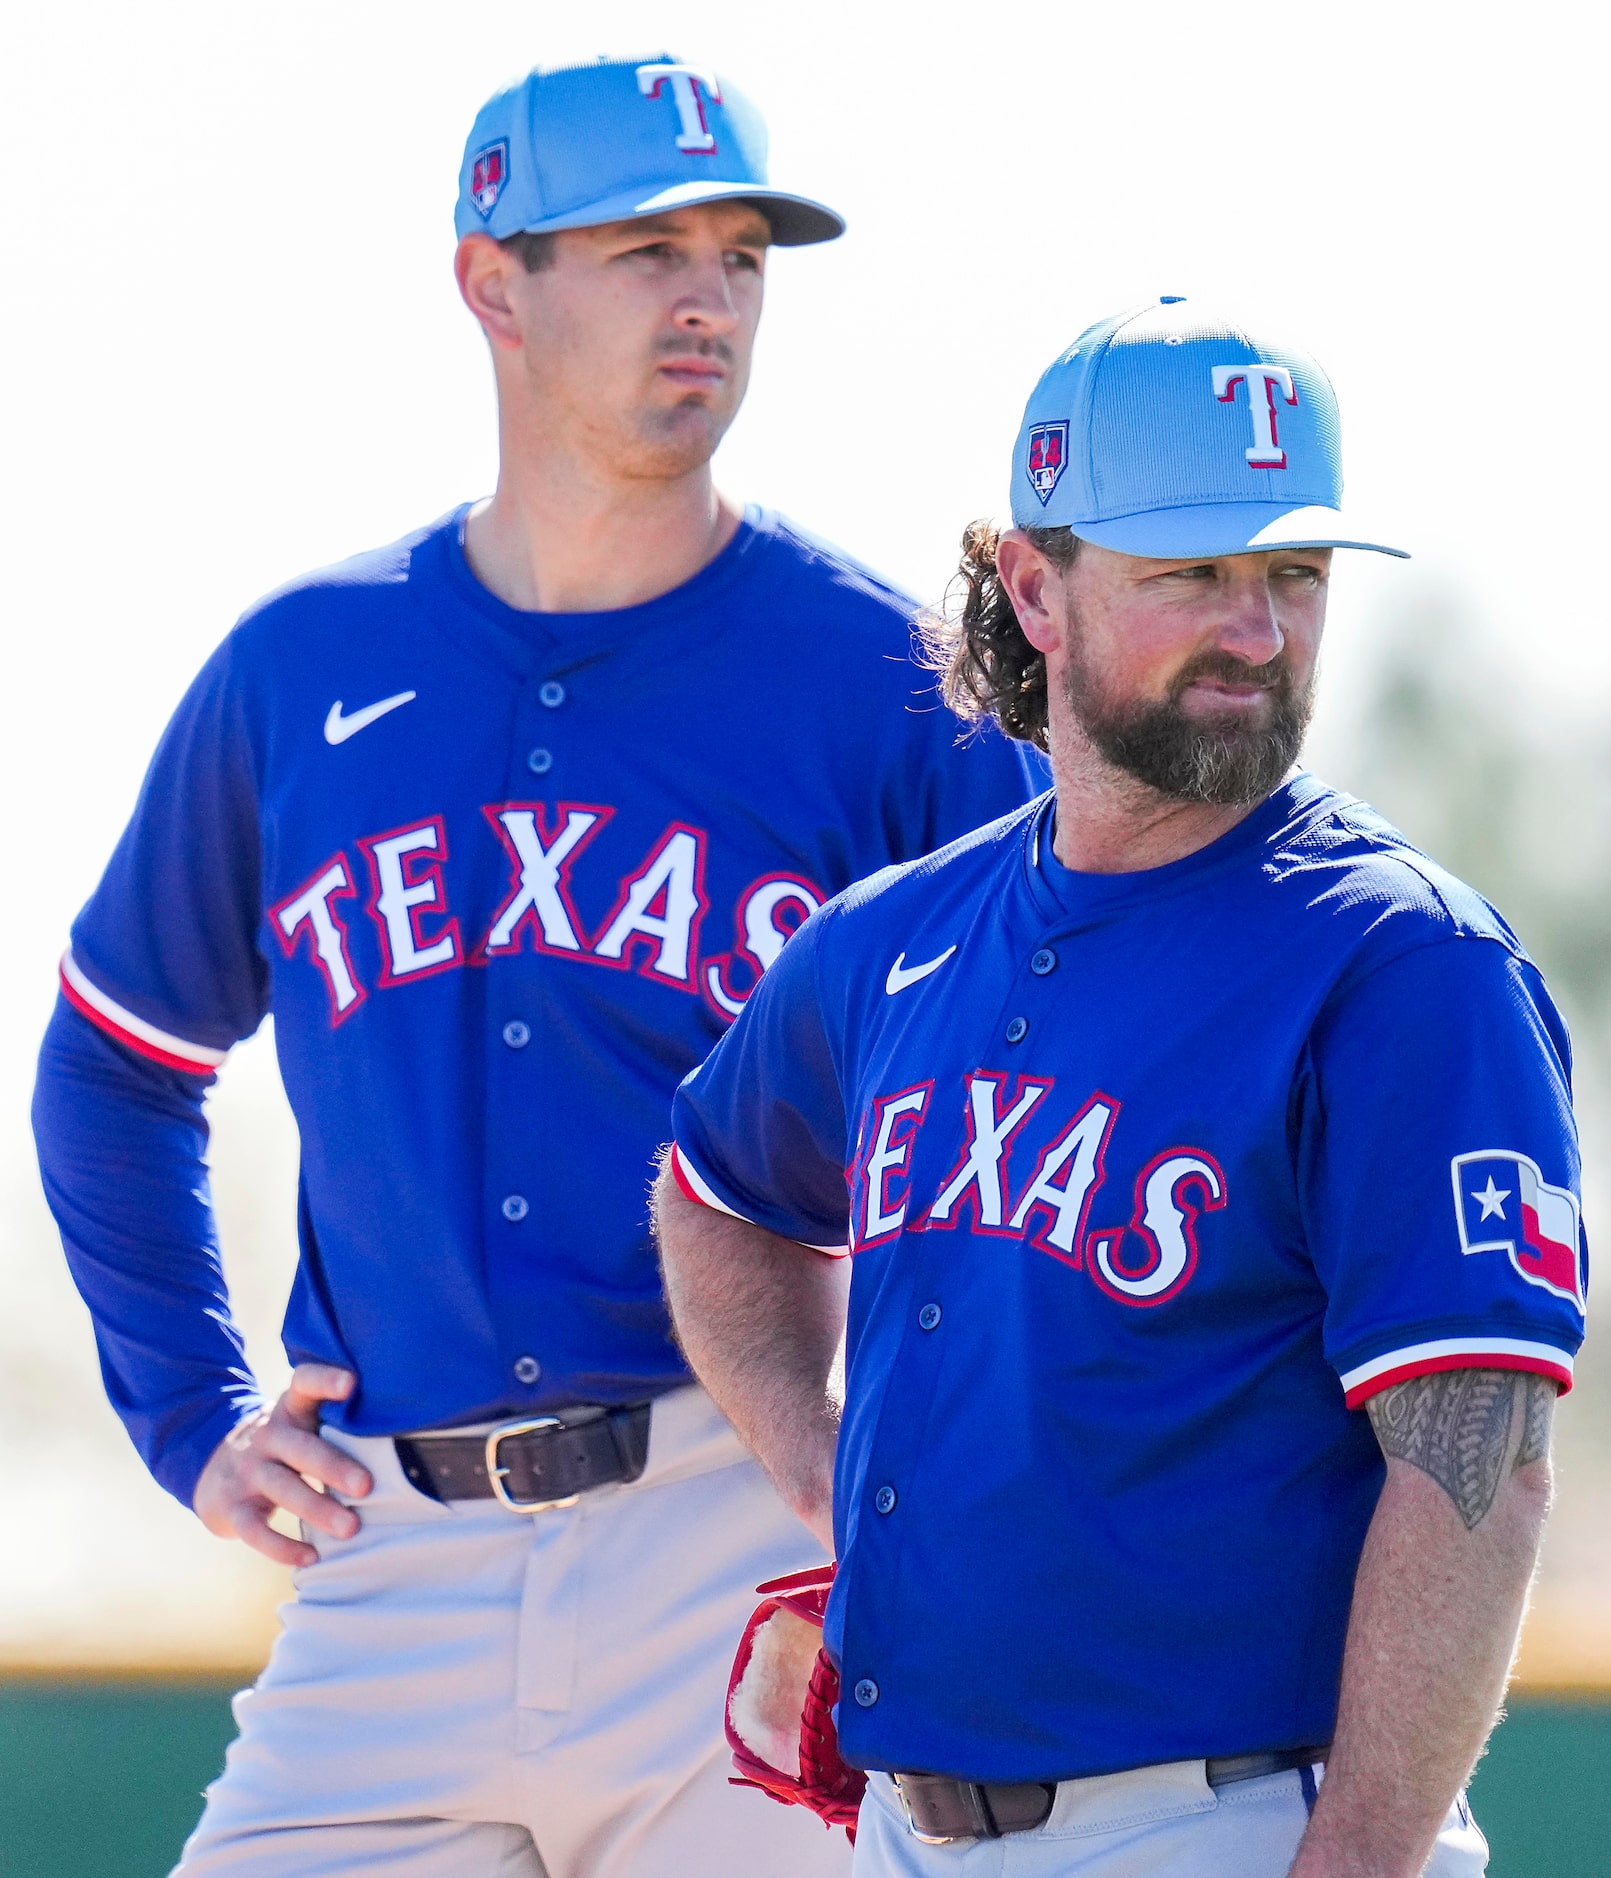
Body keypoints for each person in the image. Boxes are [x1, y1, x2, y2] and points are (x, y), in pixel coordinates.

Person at [31, 54, 1041, 1878]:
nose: (708, 298)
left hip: (740, 1525)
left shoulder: (886, 682)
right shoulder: (301, 668)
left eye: (740, 255)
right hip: (386, 1564)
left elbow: (1069, 1059)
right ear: (493, 283)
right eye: (647, 247)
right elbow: (113, 1055)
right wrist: (185, 1411)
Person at [655, 297, 1587, 1876]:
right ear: (1036, 586)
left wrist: (1359, 1855)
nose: (1259, 628)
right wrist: (853, 1495)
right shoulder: (896, 940)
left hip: (1238, 1820)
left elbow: (1478, 1468)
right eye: (1193, 572)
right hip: (909, 1831)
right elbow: (717, 1193)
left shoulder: (1401, 965)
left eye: (1294, 574)